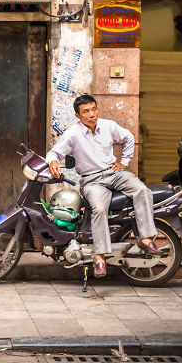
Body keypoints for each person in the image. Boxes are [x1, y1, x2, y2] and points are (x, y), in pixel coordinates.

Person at [45, 94, 162, 278]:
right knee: (99, 208)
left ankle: (145, 239)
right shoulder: (72, 134)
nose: (92, 114)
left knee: (142, 190)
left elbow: (129, 138)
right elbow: (53, 153)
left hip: (113, 173)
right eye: (86, 111)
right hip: (91, 181)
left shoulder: (108, 126)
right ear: (78, 116)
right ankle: (99, 257)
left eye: (94, 109)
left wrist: (124, 162)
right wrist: (52, 163)